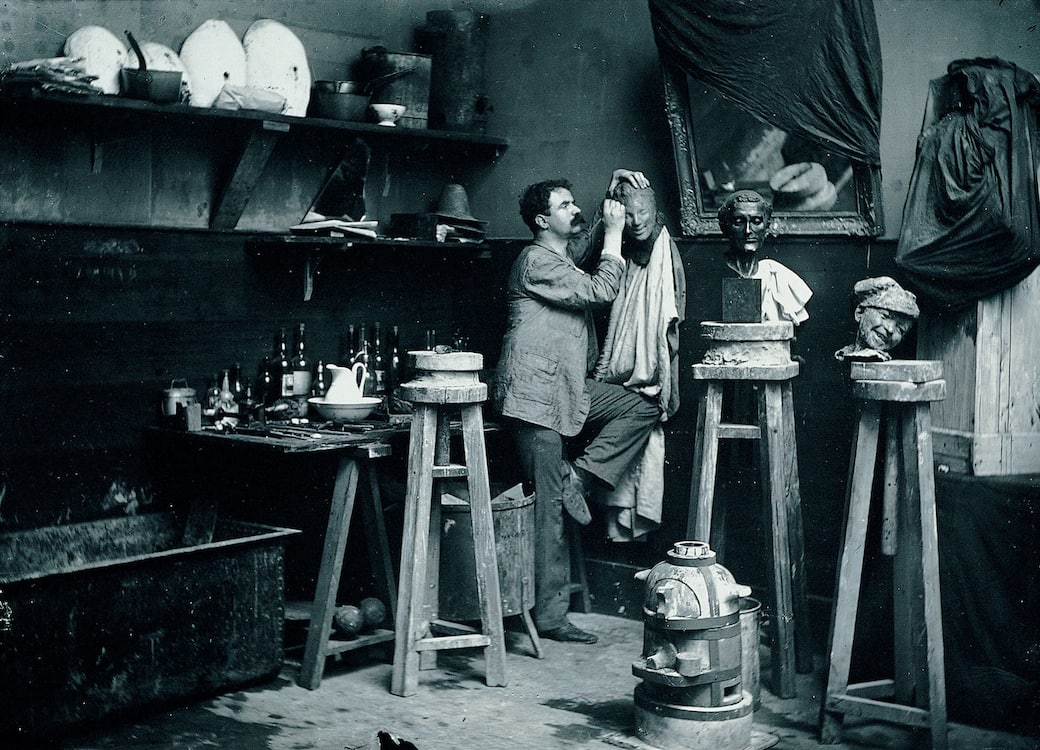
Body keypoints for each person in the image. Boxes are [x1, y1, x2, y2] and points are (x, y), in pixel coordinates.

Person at [493, 169, 662, 644]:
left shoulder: (561, 257)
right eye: (565, 206)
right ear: (542, 220)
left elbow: (585, 248)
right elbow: (600, 289)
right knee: (549, 510)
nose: (576, 209)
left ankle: (580, 477)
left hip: (567, 390)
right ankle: (550, 617)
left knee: (642, 408)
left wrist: (610, 190)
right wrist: (614, 234)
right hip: (533, 399)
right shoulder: (535, 260)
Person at [592, 180, 686, 542]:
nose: (635, 221)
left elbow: (669, 318)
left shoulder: (665, 253)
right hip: (622, 384)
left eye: (642, 212)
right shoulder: (620, 253)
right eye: (627, 215)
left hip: (647, 382)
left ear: (656, 212)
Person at [718, 189, 812, 325]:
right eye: (739, 221)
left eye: (756, 221)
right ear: (725, 227)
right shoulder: (713, 272)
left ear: (766, 227)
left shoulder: (775, 275)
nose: (748, 230)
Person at [834, 276, 920, 362]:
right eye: (885, 316)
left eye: (900, 329)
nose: (890, 329)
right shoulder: (843, 355)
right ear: (860, 312)